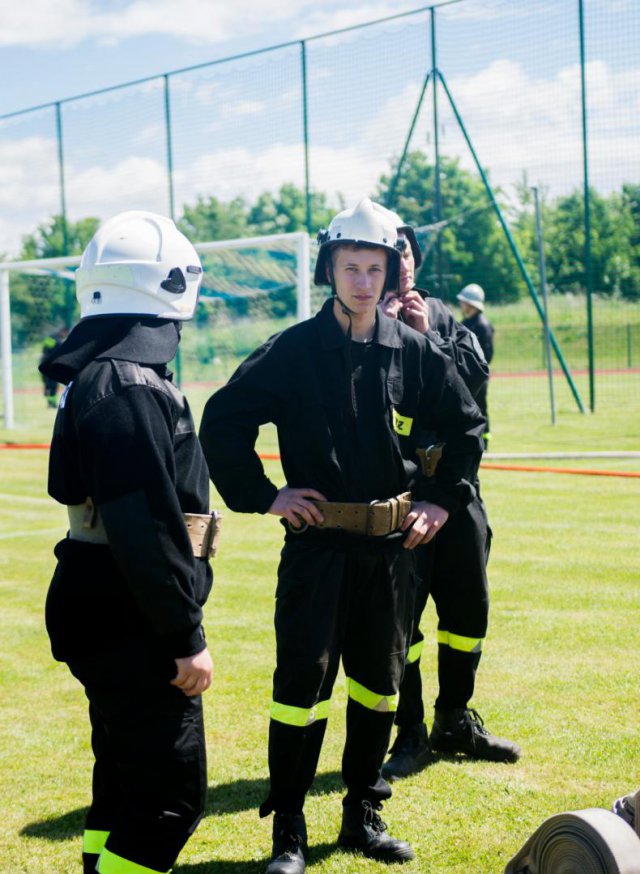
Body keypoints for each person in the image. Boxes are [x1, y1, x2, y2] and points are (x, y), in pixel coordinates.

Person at [199, 198, 486, 874]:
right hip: (318, 551)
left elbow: (467, 426)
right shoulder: (293, 352)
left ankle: (362, 811)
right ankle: (289, 832)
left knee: (379, 687)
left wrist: (443, 501)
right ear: (331, 269)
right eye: (350, 267)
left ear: (390, 274)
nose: (362, 281)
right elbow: (223, 421)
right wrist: (265, 495)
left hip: (391, 555)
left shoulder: (414, 352)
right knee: (302, 685)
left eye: (374, 268)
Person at [39, 211, 218, 874]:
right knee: (170, 798)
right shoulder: (129, 386)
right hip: (132, 618)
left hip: (102, 606)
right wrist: (184, 634)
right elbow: (146, 525)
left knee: (122, 775)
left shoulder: (97, 380)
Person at [379, 213, 520, 780]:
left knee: (468, 609)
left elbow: (474, 391)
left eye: (407, 251)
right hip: (399, 495)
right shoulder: (360, 325)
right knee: (401, 621)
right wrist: (384, 339)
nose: (402, 261)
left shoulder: (443, 318)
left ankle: (454, 720)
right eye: (392, 253)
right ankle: (410, 732)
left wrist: (429, 338)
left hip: (458, 490)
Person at [456, 283, 494, 442]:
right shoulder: (466, 323)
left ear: (471, 304)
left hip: (477, 377)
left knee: (480, 408)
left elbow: (487, 354)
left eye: (463, 301)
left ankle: (484, 441)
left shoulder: (482, 326)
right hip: (465, 375)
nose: (461, 304)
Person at [40, 326, 68, 407]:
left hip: (44, 364)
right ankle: (52, 403)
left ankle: (50, 403)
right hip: (52, 365)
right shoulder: (59, 342)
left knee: (48, 385)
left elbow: (44, 350)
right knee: (53, 386)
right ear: (63, 332)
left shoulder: (50, 338)